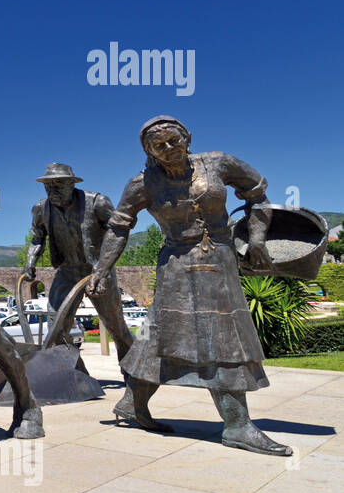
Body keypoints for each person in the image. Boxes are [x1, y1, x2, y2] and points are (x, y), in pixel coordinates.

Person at [88, 116, 290, 456]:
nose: (169, 149)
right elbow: (119, 227)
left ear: (188, 138)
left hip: (220, 260)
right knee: (163, 336)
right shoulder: (142, 184)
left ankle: (133, 404)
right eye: (159, 146)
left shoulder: (219, 163)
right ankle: (236, 426)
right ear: (149, 152)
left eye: (174, 141)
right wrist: (101, 269)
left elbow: (259, 196)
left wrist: (256, 239)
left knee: (225, 337)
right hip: (176, 265)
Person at [23, 163, 134, 356]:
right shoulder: (41, 209)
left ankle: (133, 373)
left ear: (72, 184)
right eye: (48, 186)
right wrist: (31, 260)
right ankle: (73, 374)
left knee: (116, 326)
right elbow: (38, 237)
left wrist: (104, 268)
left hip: (97, 272)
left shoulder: (97, 202)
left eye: (58, 185)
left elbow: (117, 232)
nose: (52, 190)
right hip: (67, 272)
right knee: (56, 327)